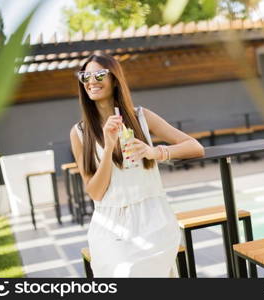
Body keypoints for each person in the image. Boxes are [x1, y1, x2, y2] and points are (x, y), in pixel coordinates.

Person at [70, 53, 205, 277]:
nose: (91, 82)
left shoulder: (141, 117)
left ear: (114, 79)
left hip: (153, 218)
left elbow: (195, 147)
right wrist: (108, 146)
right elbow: (94, 192)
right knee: (123, 272)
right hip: (109, 226)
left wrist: (154, 152)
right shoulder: (80, 133)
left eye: (99, 75)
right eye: (85, 76)